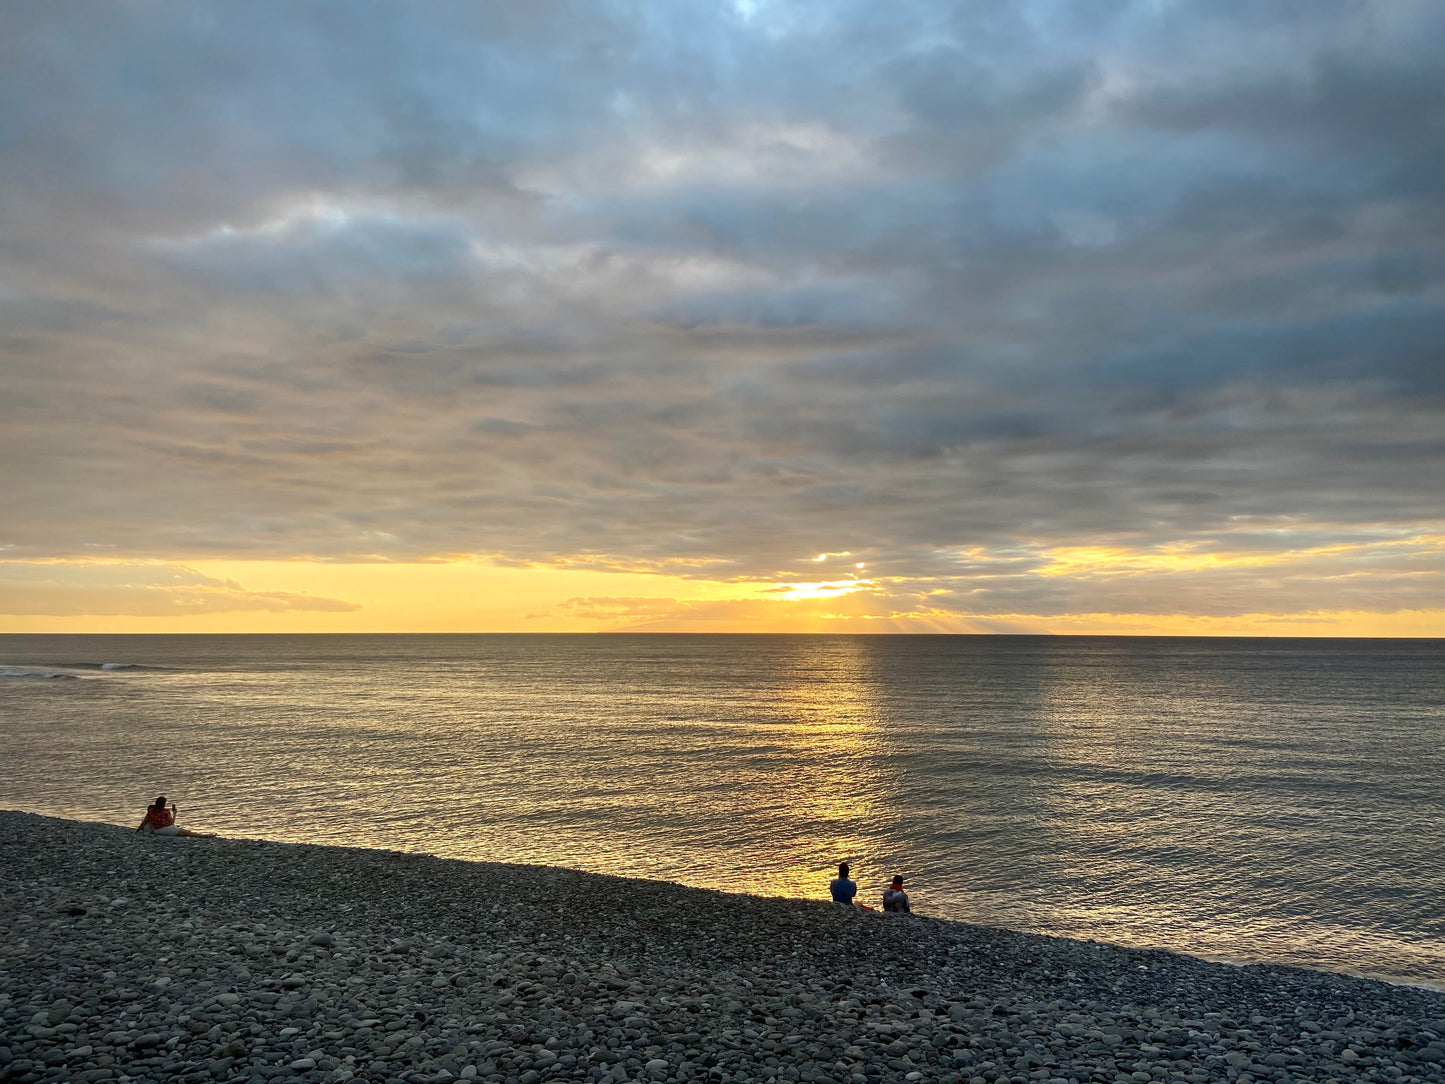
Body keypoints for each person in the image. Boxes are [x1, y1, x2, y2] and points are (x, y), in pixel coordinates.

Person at [136, 795, 214, 838]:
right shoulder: (165, 811)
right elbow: (172, 823)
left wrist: (137, 831)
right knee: (188, 833)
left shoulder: (151, 811)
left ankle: (204, 835)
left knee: (186, 832)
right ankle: (205, 836)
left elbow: (143, 822)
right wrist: (175, 813)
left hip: (157, 830)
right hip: (166, 829)